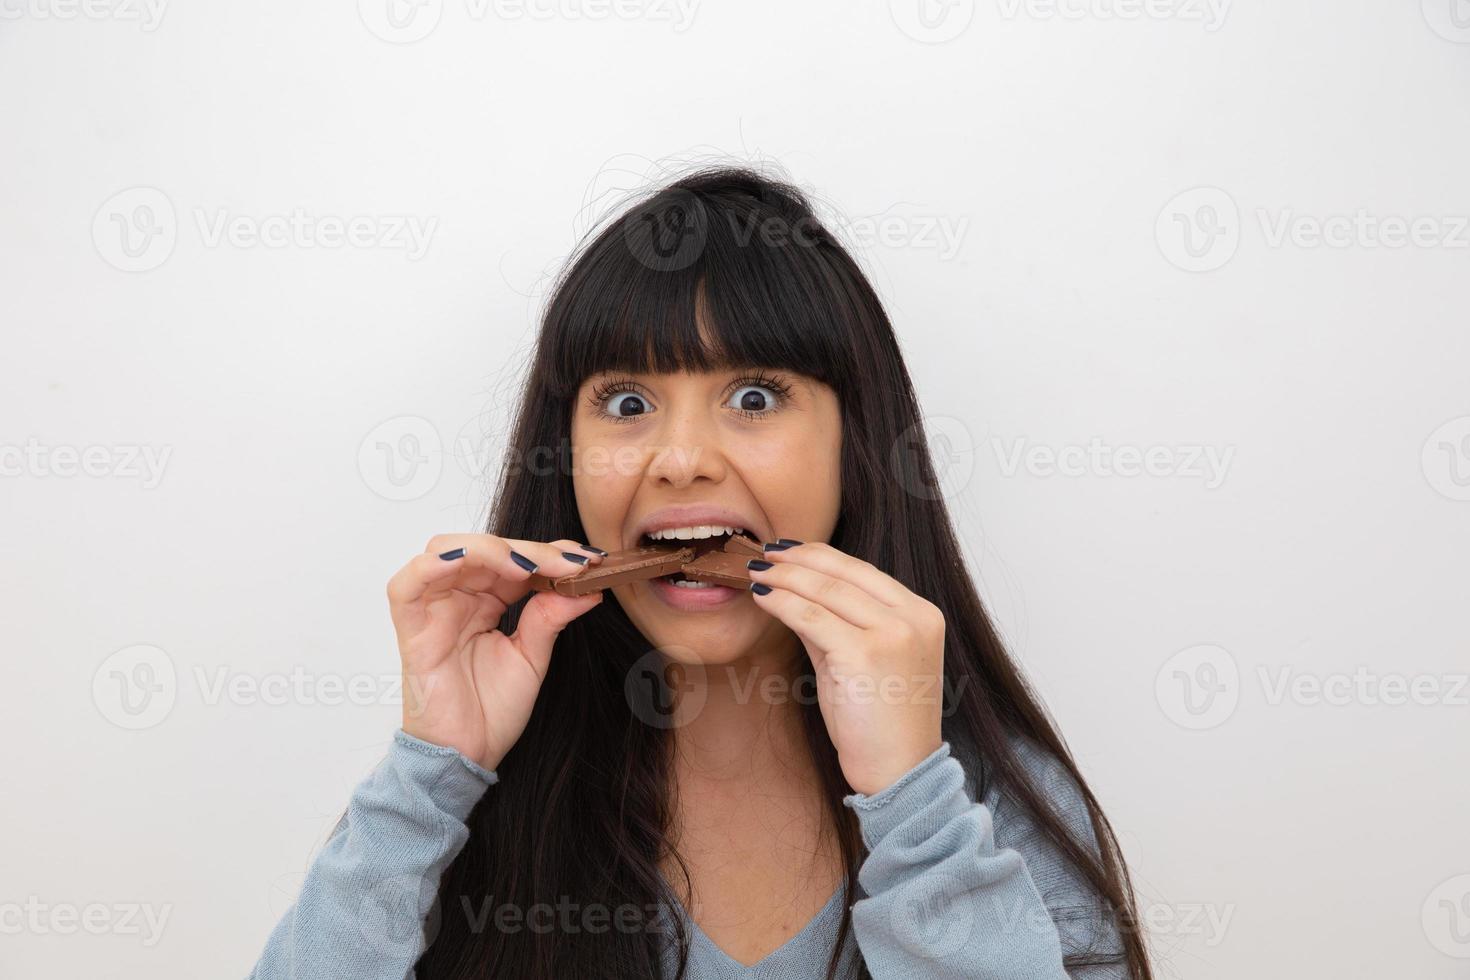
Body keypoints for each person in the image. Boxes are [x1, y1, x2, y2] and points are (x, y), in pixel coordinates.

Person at [249, 166, 1152, 979]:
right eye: (627, 402)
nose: (681, 459)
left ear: (856, 446)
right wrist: (430, 774)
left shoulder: (990, 810)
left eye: (754, 398)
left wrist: (909, 805)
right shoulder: (462, 809)